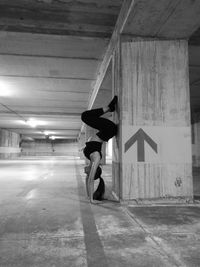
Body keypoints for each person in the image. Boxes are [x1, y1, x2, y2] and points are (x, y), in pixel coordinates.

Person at [81, 96, 118, 204]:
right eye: (87, 173)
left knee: (86, 116)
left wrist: (89, 196)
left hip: (103, 131)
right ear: (94, 171)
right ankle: (109, 108)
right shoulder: (96, 158)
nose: (85, 173)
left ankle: (109, 108)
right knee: (85, 116)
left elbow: (88, 179)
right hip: (109, 129)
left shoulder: (91, 160)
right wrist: (92, 201)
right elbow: (91, 179)